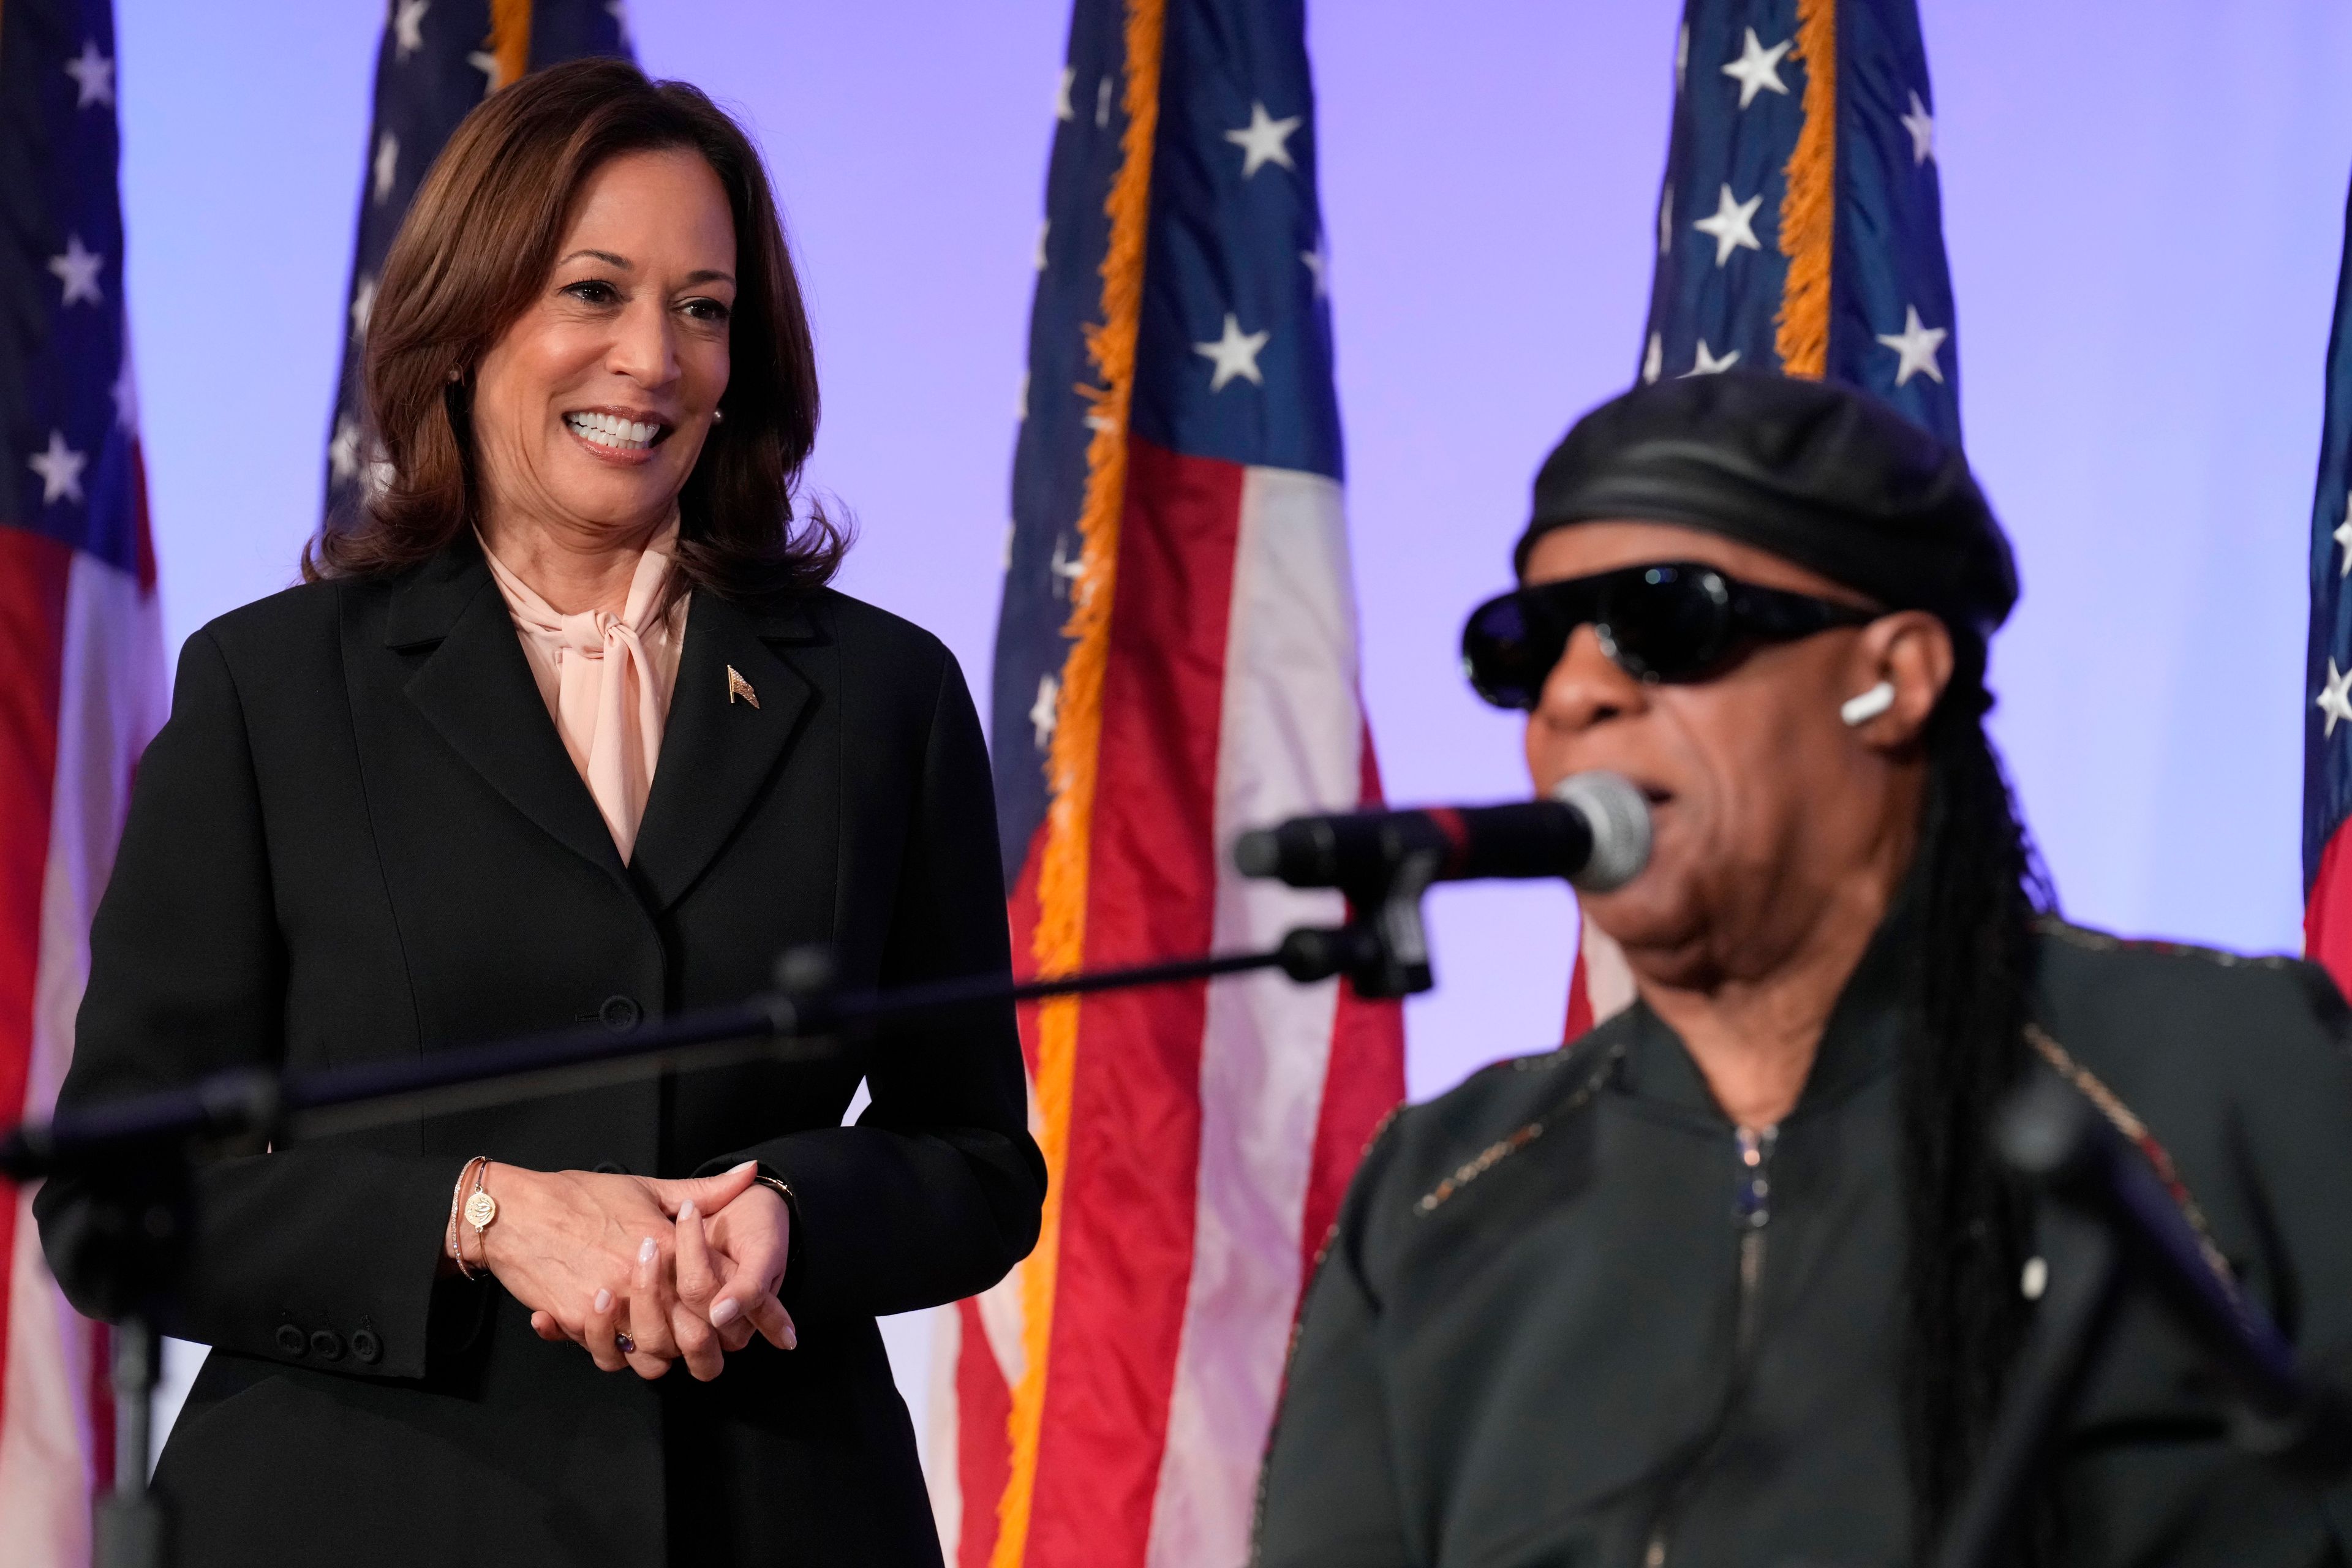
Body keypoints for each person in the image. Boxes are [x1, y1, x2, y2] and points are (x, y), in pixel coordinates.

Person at [36, 59, 1042, 1567]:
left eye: (704, 308)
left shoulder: (883, 696)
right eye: (595, 291)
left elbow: (977, 1159)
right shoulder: (273, 687)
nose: (653, 358)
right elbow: (115, 1198)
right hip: (355, 1518)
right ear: (466, 323)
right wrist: (479, 1209)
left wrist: (789, 1208)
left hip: (777, 1515)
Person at [1253, 372, 2352, 1567]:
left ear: (1896, 675)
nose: (1576, 693)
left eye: (1665, 619)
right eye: (1528, 646)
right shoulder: (1439, 1198)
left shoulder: (2230, 1069)